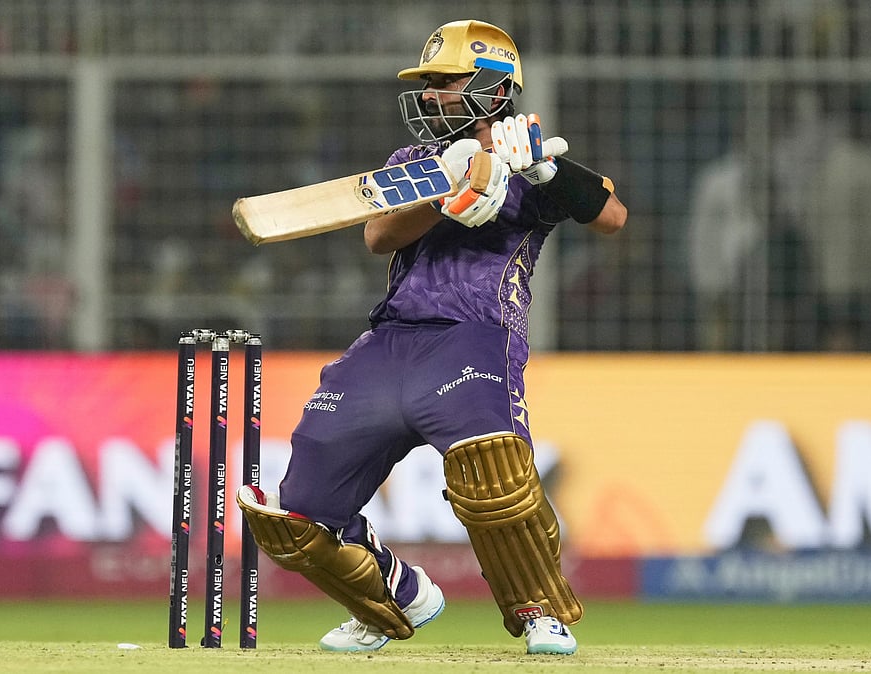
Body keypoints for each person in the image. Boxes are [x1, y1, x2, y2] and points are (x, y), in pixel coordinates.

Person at [237, 19, 626, 656]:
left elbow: (612, 216)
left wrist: (545, 173)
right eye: (428, 85)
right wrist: (450, 190)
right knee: (298, 518)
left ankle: (536, 612)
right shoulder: (409, 163)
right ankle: (398, 594)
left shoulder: (534, 165)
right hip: (390, 341)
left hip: (474, 337)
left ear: (491, 85)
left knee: (491, 472)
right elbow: (378, 236)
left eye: (443, 83)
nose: (429, 95)